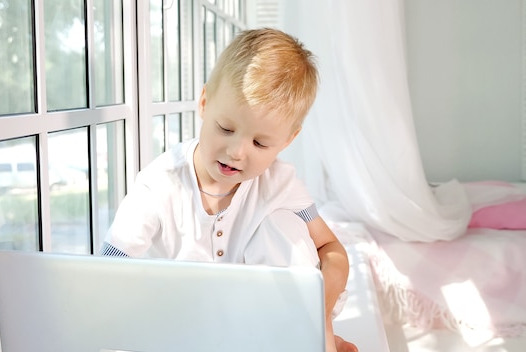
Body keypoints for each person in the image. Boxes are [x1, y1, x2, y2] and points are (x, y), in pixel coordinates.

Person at [100, 28, 357, 352]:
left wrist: (319, 310)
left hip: (250, 326)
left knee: (284, 227)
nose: (237, 152)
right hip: (180, 326)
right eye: (226, 128)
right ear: (205, 103)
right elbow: (106, 274)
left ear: (288, 140)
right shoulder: (159, 185)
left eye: (260, 143)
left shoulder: (277, 183)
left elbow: (331, 248)